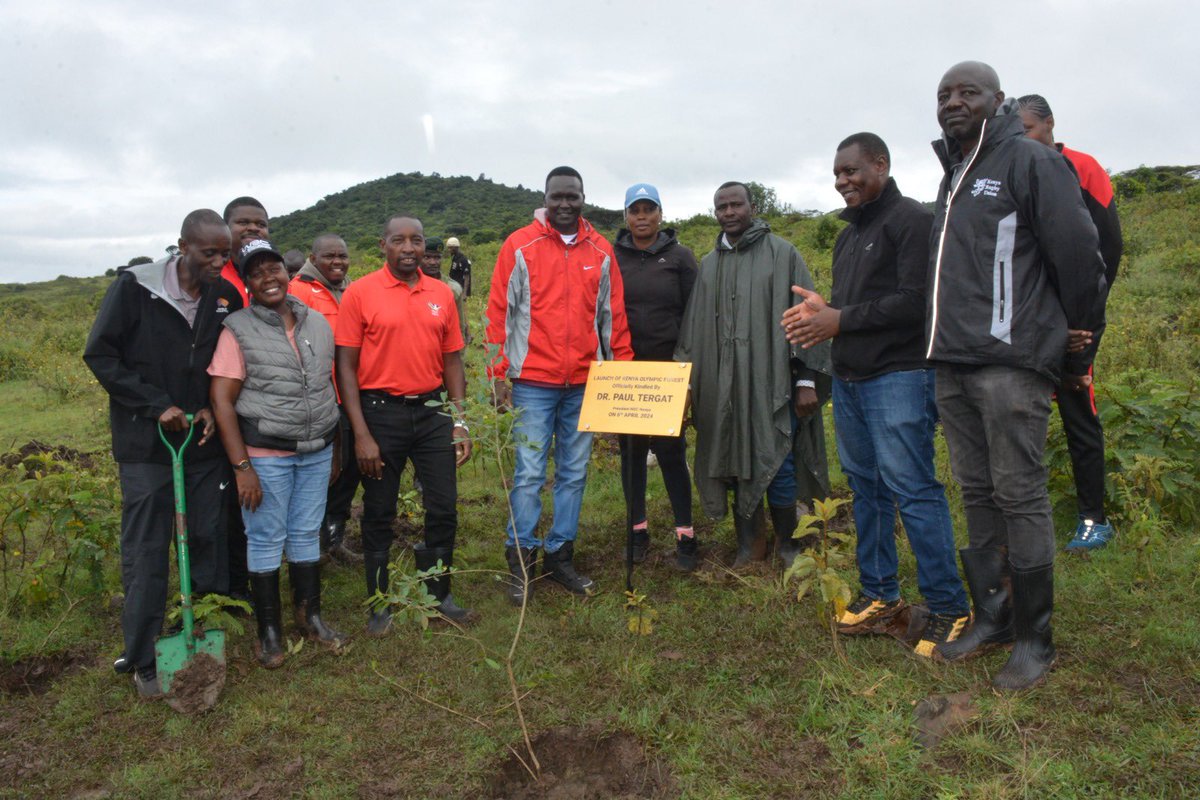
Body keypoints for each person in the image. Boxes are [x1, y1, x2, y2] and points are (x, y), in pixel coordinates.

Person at [924, 62, 1106, 689]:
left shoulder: (1027, 161)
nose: (953, 102)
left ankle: (1035, 638)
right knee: (976, 491)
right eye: (944, 94)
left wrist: (1073, 341)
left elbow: (1081, 253)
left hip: (1010, 362)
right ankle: (994, 616)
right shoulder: (953, 173)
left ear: (997, 101)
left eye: (967, 92)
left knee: (1019, 493)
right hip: (954, 362)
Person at [781, 134, 970, 657]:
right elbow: (857, 308)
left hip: (900, 378)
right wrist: (828, 310)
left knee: (913, 488)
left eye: (852, 171)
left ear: (880, 165)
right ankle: (881, 593)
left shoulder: (911, 220)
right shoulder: (848, 237)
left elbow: (915, 302)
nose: (843, 182)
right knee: (866, 489)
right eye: (837, 174)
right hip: (853, 381)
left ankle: (950, 606)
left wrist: (838, 319)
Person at [83, 209, 239, 698]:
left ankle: (199, 631)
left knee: (206, 537)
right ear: (182, 246)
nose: (218, 261)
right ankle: (143, 656)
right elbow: (100, 355)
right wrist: (156, 406)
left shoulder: (225, 296)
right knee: (148, 548)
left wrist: (209, 407)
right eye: (208, 252)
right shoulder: (135, 288)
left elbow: (222, 363)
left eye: (225, 253)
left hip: (201, 440)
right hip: (145, 445)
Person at [485, 166, 634, 602]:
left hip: (585, 382)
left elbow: (614, 318)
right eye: (557, 197)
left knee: (574, 471)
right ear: (545, 198)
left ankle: (560, 553)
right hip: (531, 381)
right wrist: (498, 375)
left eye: (573, 196)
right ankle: (522, 558)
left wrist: (620, 377)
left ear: (583, 197)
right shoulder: (519, 245)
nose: (565, 204)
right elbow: (498, 315)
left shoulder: (601, 249)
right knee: (529, 473)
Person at [675, 182, 832, 571]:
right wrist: (688, 388)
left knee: (775, 455)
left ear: (752, 206)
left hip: (770, 383)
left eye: (736, 204)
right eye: (721, 207)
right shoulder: (709, 264)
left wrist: (806, 381)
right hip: (722, 386)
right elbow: (693, 331)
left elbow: (807, 318)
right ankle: (750, 543)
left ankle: (788, 542)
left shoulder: (783, 254)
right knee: (732, 459)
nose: (729, 212)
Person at [209, 240, 346, 668]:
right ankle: (269, 633)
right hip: (265, 454)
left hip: (317, 449)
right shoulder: (237, 328)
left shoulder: (319, 323)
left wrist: (335, 446)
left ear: (288, 273)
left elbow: (330, 387)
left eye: (274, 269)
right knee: (266, 537)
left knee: (306, 532)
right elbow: (222, 400)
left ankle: (311, 617)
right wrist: (242, 466)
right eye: (257, 273)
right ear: (247, 283)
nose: (269, 278)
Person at [336, 215, 474, 633]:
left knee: (444, 506)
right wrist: (360, 433)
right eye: (400, 240)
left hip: (434, 412)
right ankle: (380, 601)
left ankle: (438, 592)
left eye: (416, 240)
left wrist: (460, 420)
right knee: (379, 509)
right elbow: (345, 365)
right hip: (380, 414)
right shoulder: (360, 293)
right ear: (384, 245)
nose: (410, 248)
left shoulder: (442, 294)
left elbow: (452, 360)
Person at [1018, 93, 1123, 551]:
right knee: (1023, 418)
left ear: (1050, 125)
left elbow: (1108, 251)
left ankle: (1093, 519)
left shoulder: (1084, 168)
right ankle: (1026, 514)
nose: (1025, 140)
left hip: (1076, 323)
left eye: (1029, 130)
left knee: (1079, 412)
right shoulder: (1015, 170)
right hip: (1029, 325)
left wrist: (1084, 329)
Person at [612, 183, 698, 570]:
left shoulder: (680, 258)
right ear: (626, 216)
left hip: (668, 372)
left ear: (661, 214)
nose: (642, 217)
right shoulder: (611, 257)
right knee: (630, 453)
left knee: (671, 452)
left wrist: (689, 372)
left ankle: (685, 534)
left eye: (649, 209)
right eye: (635, 210)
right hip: (625, 373)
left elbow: (694, 314)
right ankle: (637, 530)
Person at [289, 233, 362, 564]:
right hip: (317, 399)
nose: (337, 262)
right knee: (321, 473)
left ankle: (334, 539)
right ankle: (309, 545)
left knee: (349, 469)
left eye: (342, 256)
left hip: (351, 394)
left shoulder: (353, 289)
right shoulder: (297, 290)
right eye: (330, 256)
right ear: (313, 258)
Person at [219, 196, 271, 605]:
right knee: (220, 503)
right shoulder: (212, 275)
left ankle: (251, 582)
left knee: (250, 501)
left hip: (257, 409)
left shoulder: (264, 274)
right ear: (226, 228)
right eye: (243, 223)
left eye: (261, 224)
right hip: (216, 404)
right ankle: (226, 587)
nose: (253, 230)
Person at [422, 236, 469, 344]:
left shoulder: (452, 289)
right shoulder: (409, 284)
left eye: (437, 258)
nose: (433, 262)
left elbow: (459, 327)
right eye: (427, 257)